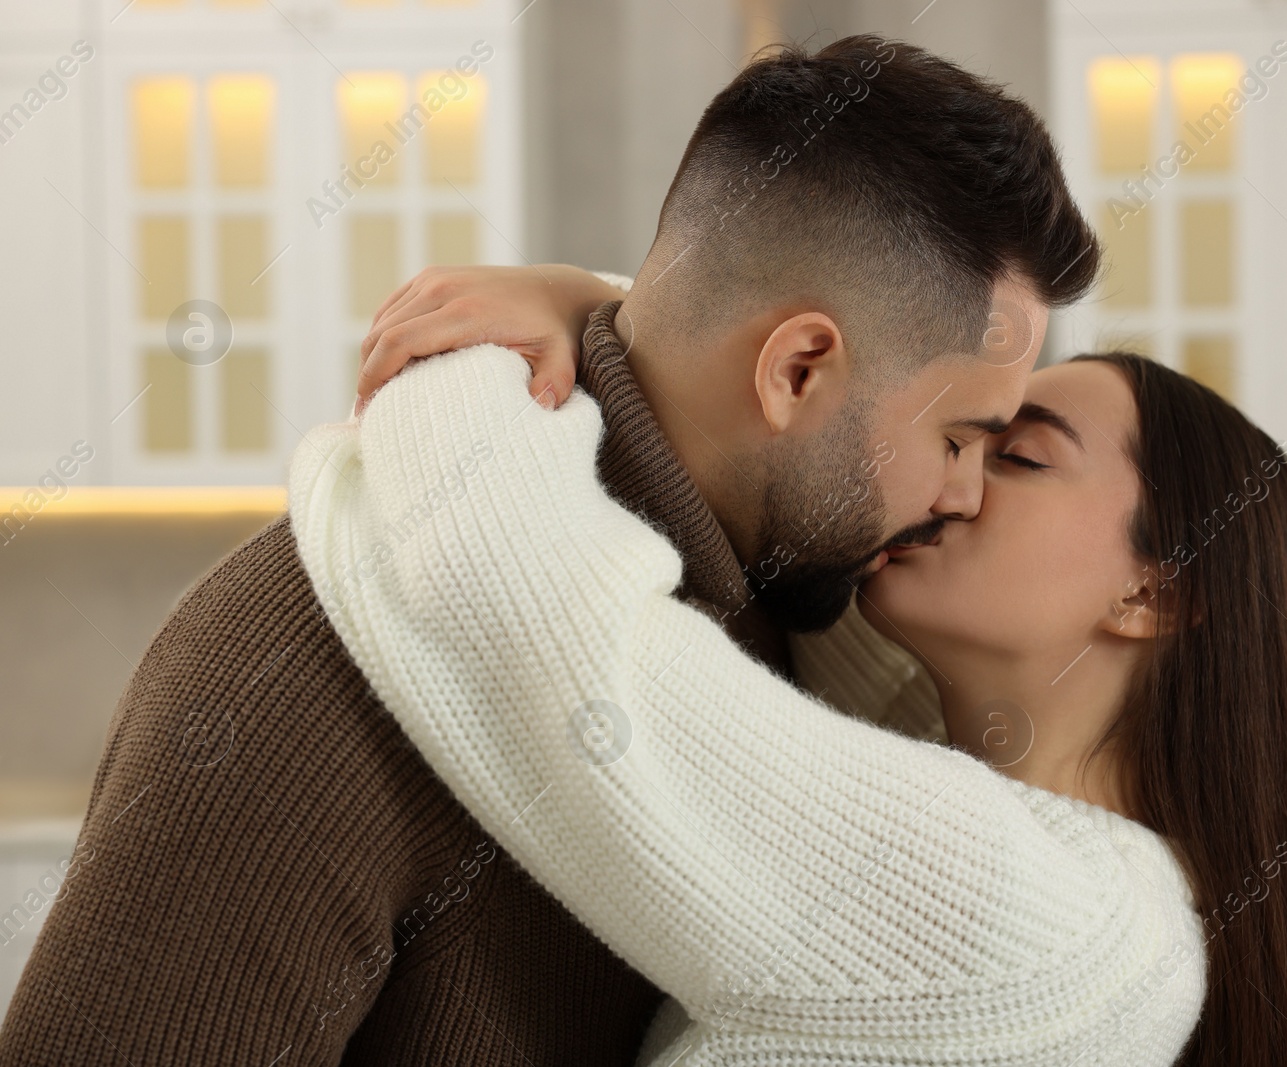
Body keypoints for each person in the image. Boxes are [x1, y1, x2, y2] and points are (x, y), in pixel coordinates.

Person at [0, 36, 1099, 1065]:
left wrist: (584, 297)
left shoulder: (799, 606)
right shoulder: (297, 670)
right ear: (798, 371)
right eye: (957, 438)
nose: (963, 495)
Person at [289, 304, 1287, 1063]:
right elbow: (784, 392)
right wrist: (596, 307)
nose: (949, 476)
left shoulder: (1031, 913)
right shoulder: (1066, 864)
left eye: (1014, 454)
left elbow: (538, 615)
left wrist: (464, 362)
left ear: (1153, 592)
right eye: (959, 432)